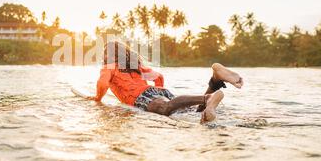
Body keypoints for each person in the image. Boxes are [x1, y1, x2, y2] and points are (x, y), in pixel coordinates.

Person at [89, 41, 243, 123]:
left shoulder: (108, 66)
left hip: (141, 96)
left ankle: (208, 98)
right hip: (156, 92)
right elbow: (158, 77)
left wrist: (98, 98)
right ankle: (215, 80)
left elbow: (103, 83)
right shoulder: (135, 66)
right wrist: (157, 92)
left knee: (165, 109)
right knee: (195, 111)